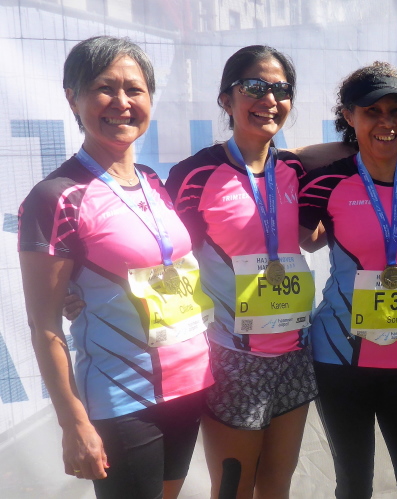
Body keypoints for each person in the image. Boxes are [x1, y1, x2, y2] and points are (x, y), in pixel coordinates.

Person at [18, 36, 214, 499]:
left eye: (135, 89)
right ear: (73, 98)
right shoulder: (56, 197)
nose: (122, 102)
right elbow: (44, 325)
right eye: (105, 88)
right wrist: (73, 423)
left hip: (190, 384)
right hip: (124, 396)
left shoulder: (152, 181)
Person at [165, 45, 318, 499]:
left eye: (281, 89)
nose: (269, 99)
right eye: (254, 87)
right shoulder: (195, 174)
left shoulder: (295, 169)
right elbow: (158, 254)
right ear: (225, 99)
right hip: (232, 356)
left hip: (295, 349)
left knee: (277, 486)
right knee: (233, 489)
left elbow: (351, 152)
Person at [298, 62, 397, 499]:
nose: (386, 122)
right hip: (340, 358)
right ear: (348, 116)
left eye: (396, 111)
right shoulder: (327, 182)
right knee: (354, 485)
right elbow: (300, 239)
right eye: (371, 112)